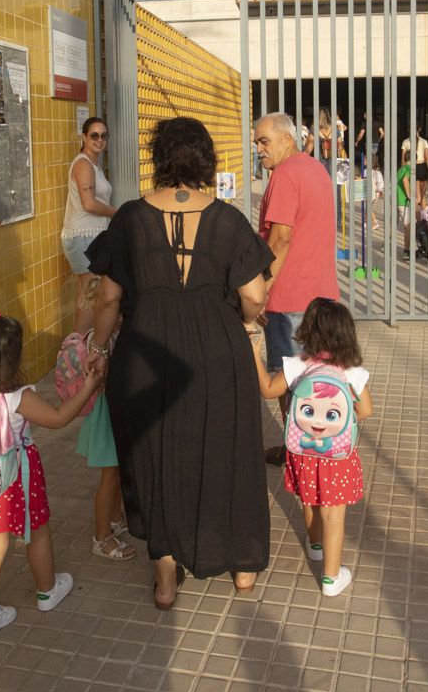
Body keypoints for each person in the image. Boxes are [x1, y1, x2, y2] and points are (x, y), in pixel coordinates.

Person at [86, 117, 273, 606]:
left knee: (154, 458)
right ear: (206, 160)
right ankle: (242, 568)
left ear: (160, 157)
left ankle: (166, 580)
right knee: (228, 449)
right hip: (218, 352)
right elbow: (254, 295)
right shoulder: (229, 219)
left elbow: (107, 298)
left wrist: (99, 349)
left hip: (146, 354)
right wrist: (247, 324)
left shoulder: (128, 218)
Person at [0, 312, 100, 640]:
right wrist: (89, 384)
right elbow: (59, 418)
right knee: (37, 532)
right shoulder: (17, 396)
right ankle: (47, 590)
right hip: (17, 478)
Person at [249, 298, 372, 597]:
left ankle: (315, 546)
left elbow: (266, 389)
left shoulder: (298, 365)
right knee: (334, 514)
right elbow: (365, 410)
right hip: (336, 455)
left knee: (309, 499)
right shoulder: (352, 372)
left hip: (303, 453)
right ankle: (331, 577)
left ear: (309, 332)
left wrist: (254, 350)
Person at [254, 112, 339, 465]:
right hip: (320, 294)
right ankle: (303, 448)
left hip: (290, 298)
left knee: (289, 380)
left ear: (287, 140)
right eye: (256, 142)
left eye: (264, 141)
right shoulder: (313, 168)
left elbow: (281, 238)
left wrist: (262, 289)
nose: (259, 149)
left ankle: (301, 453)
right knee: (313, 376)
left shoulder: (286, 175)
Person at [75, 280, 134, 562]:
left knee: (118, 473)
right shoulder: (100, 342)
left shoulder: (108, 336)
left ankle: (115, 518)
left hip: (111, 414)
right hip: (107, 416)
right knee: (110, 477)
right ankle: (102, 537)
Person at [61, 117, 117, 332]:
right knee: (92, 296)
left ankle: (78, 351)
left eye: (104, 135)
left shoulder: (94, 164)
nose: (99, 140)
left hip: (91, 238)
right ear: (84, 137)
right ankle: (77, 352)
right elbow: (89, 204)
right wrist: (115, 212)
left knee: (87, 296)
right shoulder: (84, 164)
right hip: (83, 238)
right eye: (94, 135)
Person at [401, 124, 428, 212]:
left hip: (411, 167)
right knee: (422, 196)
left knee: (415, 196)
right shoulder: (424, 141)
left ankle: (417, 219)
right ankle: (424, 218)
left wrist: (403, 169)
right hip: (422, 168)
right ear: (420, 129)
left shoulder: (405, 142)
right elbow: (427, 157)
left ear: (409, 129)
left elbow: (403, 158)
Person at [396, 160, 412, 260]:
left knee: (395, 223)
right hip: (404, 201)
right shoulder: (408, 168)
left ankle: (386, 244)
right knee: (407, 226)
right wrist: (409, 195)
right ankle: (406, 251)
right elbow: (405, 180)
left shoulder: (400, 169)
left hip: (397, 200)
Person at [371, 155, 385, 230]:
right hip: (372, 192)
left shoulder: (376, 172)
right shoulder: (369, 171)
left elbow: (380, 183)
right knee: (369, 207)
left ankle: (375, 222)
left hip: (374, 192)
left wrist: (379, 191)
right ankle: (368, 221)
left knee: (369, 208)